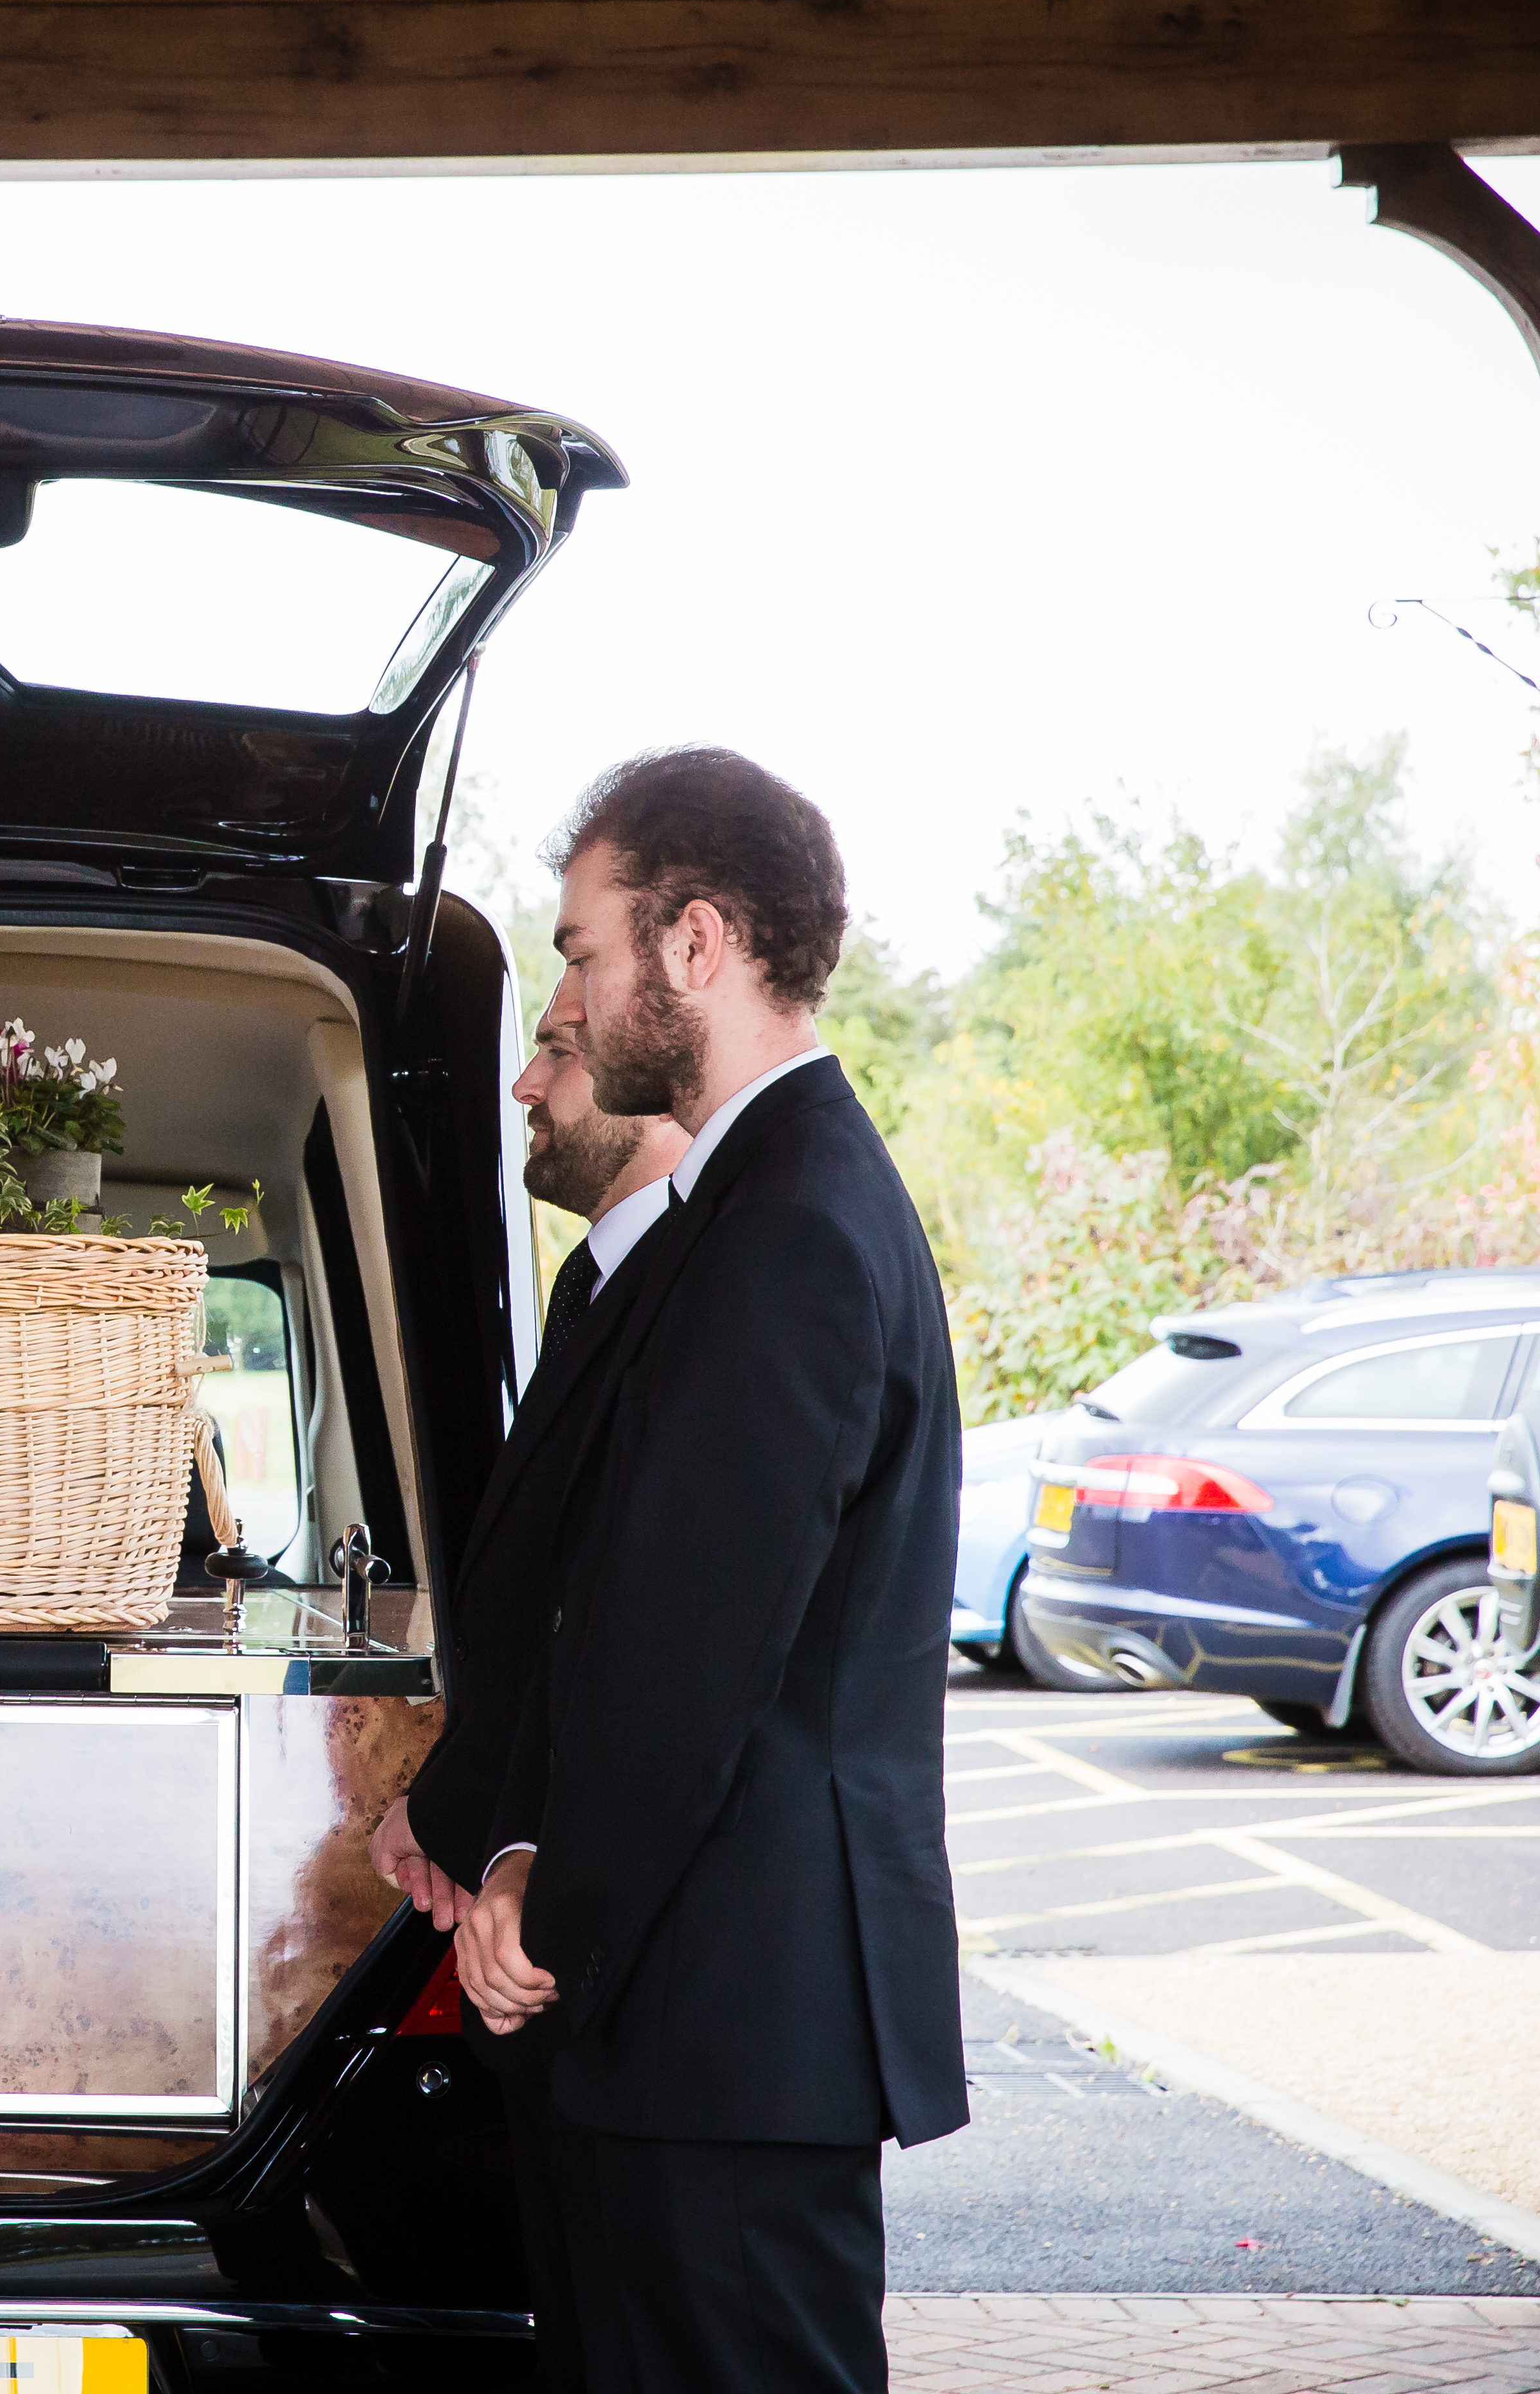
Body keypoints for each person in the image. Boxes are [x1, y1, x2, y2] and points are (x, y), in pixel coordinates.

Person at [455, 746, 966, 2394]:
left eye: (583, 952)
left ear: (696, 945)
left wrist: (542, 1906)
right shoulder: (756, 1199)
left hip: (734, 2026)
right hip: (692, 2021)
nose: (571, 996)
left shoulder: (794, 1220)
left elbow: (692, 1645)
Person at [367, 1002, 685, 2389]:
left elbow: (640, 1636)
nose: (524, 1083)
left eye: (558, 1051)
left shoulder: (702, 1284)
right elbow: (540, 1612)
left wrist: (510, 1865)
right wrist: (454, 1814)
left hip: (661, 1999)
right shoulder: (596, 1284)